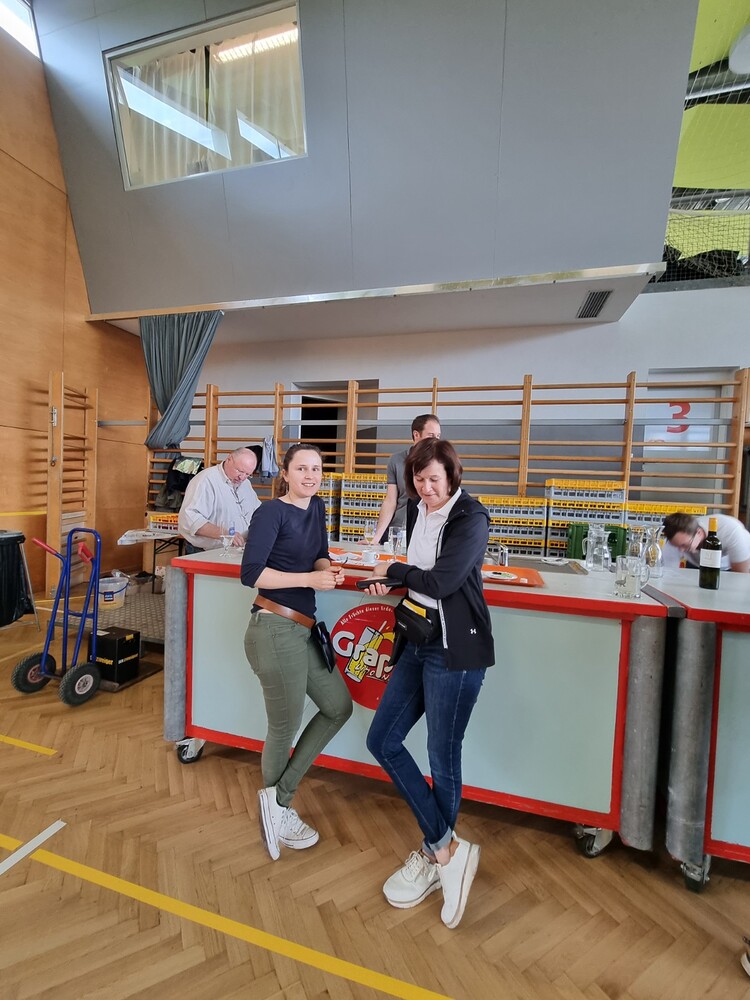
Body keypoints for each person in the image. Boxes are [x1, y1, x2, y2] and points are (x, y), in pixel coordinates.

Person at [361, 438, 494, 929]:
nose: (426, 488)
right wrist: (393, 581)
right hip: (418, 640)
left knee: (442, 755)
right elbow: (421, 578)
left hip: (455, 651)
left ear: (452, 476)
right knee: (382, 740)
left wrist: (394, 569)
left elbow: (441, 581)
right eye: (418, 480)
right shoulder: (419, 510)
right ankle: (446, 849)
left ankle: (434, 853)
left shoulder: (471, 518)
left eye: (434, 479)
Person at [240, 444, 353, 861]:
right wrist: (309, 579)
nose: (310, 475)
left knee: (338, 707)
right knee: (283, 729)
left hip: (303, 630)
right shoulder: (271, 512)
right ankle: (279, 809)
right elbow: (251, 573)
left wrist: (327, 570)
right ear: (285, 474)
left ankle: (276, 799)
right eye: (301, 468)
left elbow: (319, 555)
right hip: (273, 628)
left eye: (316, 469)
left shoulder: (317, 507)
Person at [372, 413, 441, 544]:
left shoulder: (441, 462)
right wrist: (376, 537)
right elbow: (390, 501)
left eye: (438, 436)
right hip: (399, 531)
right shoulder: (396, 460)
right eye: (431, 436)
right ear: (416, 435)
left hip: (429, 532)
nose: (435, 441)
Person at [178, 447, 260, 553]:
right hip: (205, 552)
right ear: (229, 459)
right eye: (239, 471)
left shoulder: (246, 484)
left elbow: (258, 511)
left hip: (236, 550)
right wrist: (224, 534)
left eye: (248, 474)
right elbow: (190, 519)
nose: (242, 477)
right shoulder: (206, 480)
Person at [662, 512, 750, 572]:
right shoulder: (675, 540)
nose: (681, 550)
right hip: (697, 564)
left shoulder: (732, 532)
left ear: (699, 533)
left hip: (730, 564)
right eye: (676, 546)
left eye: (684, 545)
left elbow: (741, 575)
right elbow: (668, 573)